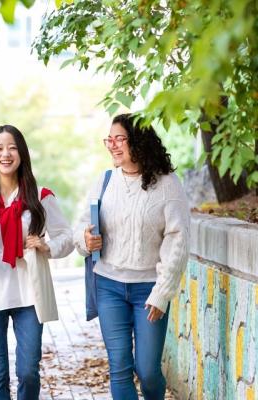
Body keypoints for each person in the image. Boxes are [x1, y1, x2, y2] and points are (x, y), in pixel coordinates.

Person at [0, 125, 74, 400]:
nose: (5, 154)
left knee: (29, 370)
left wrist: (46, 245)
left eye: (12, 148)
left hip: (29, 293)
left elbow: (67, 237)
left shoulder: (40, 196)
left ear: (21, 154)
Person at [74, 113, 190, 400]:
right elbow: (80, 228)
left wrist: (162, 293)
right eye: (109, 140)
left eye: (119, 139)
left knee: (148, 370)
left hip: (148, 290)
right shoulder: (105, 180)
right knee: (120, 369)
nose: (112, 145)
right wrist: (85, 240)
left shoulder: (167, 185)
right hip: (108, 286)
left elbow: (178, 240)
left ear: (138, 141)